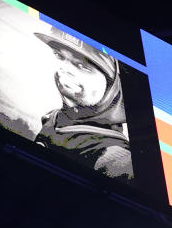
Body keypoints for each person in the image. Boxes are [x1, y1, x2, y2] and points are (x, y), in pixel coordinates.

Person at [33, 26, 134, 180]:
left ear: (111, 83)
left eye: (82, 66)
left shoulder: (114, 156)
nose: (64, 69)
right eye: (59, 56)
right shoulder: (55, 117)